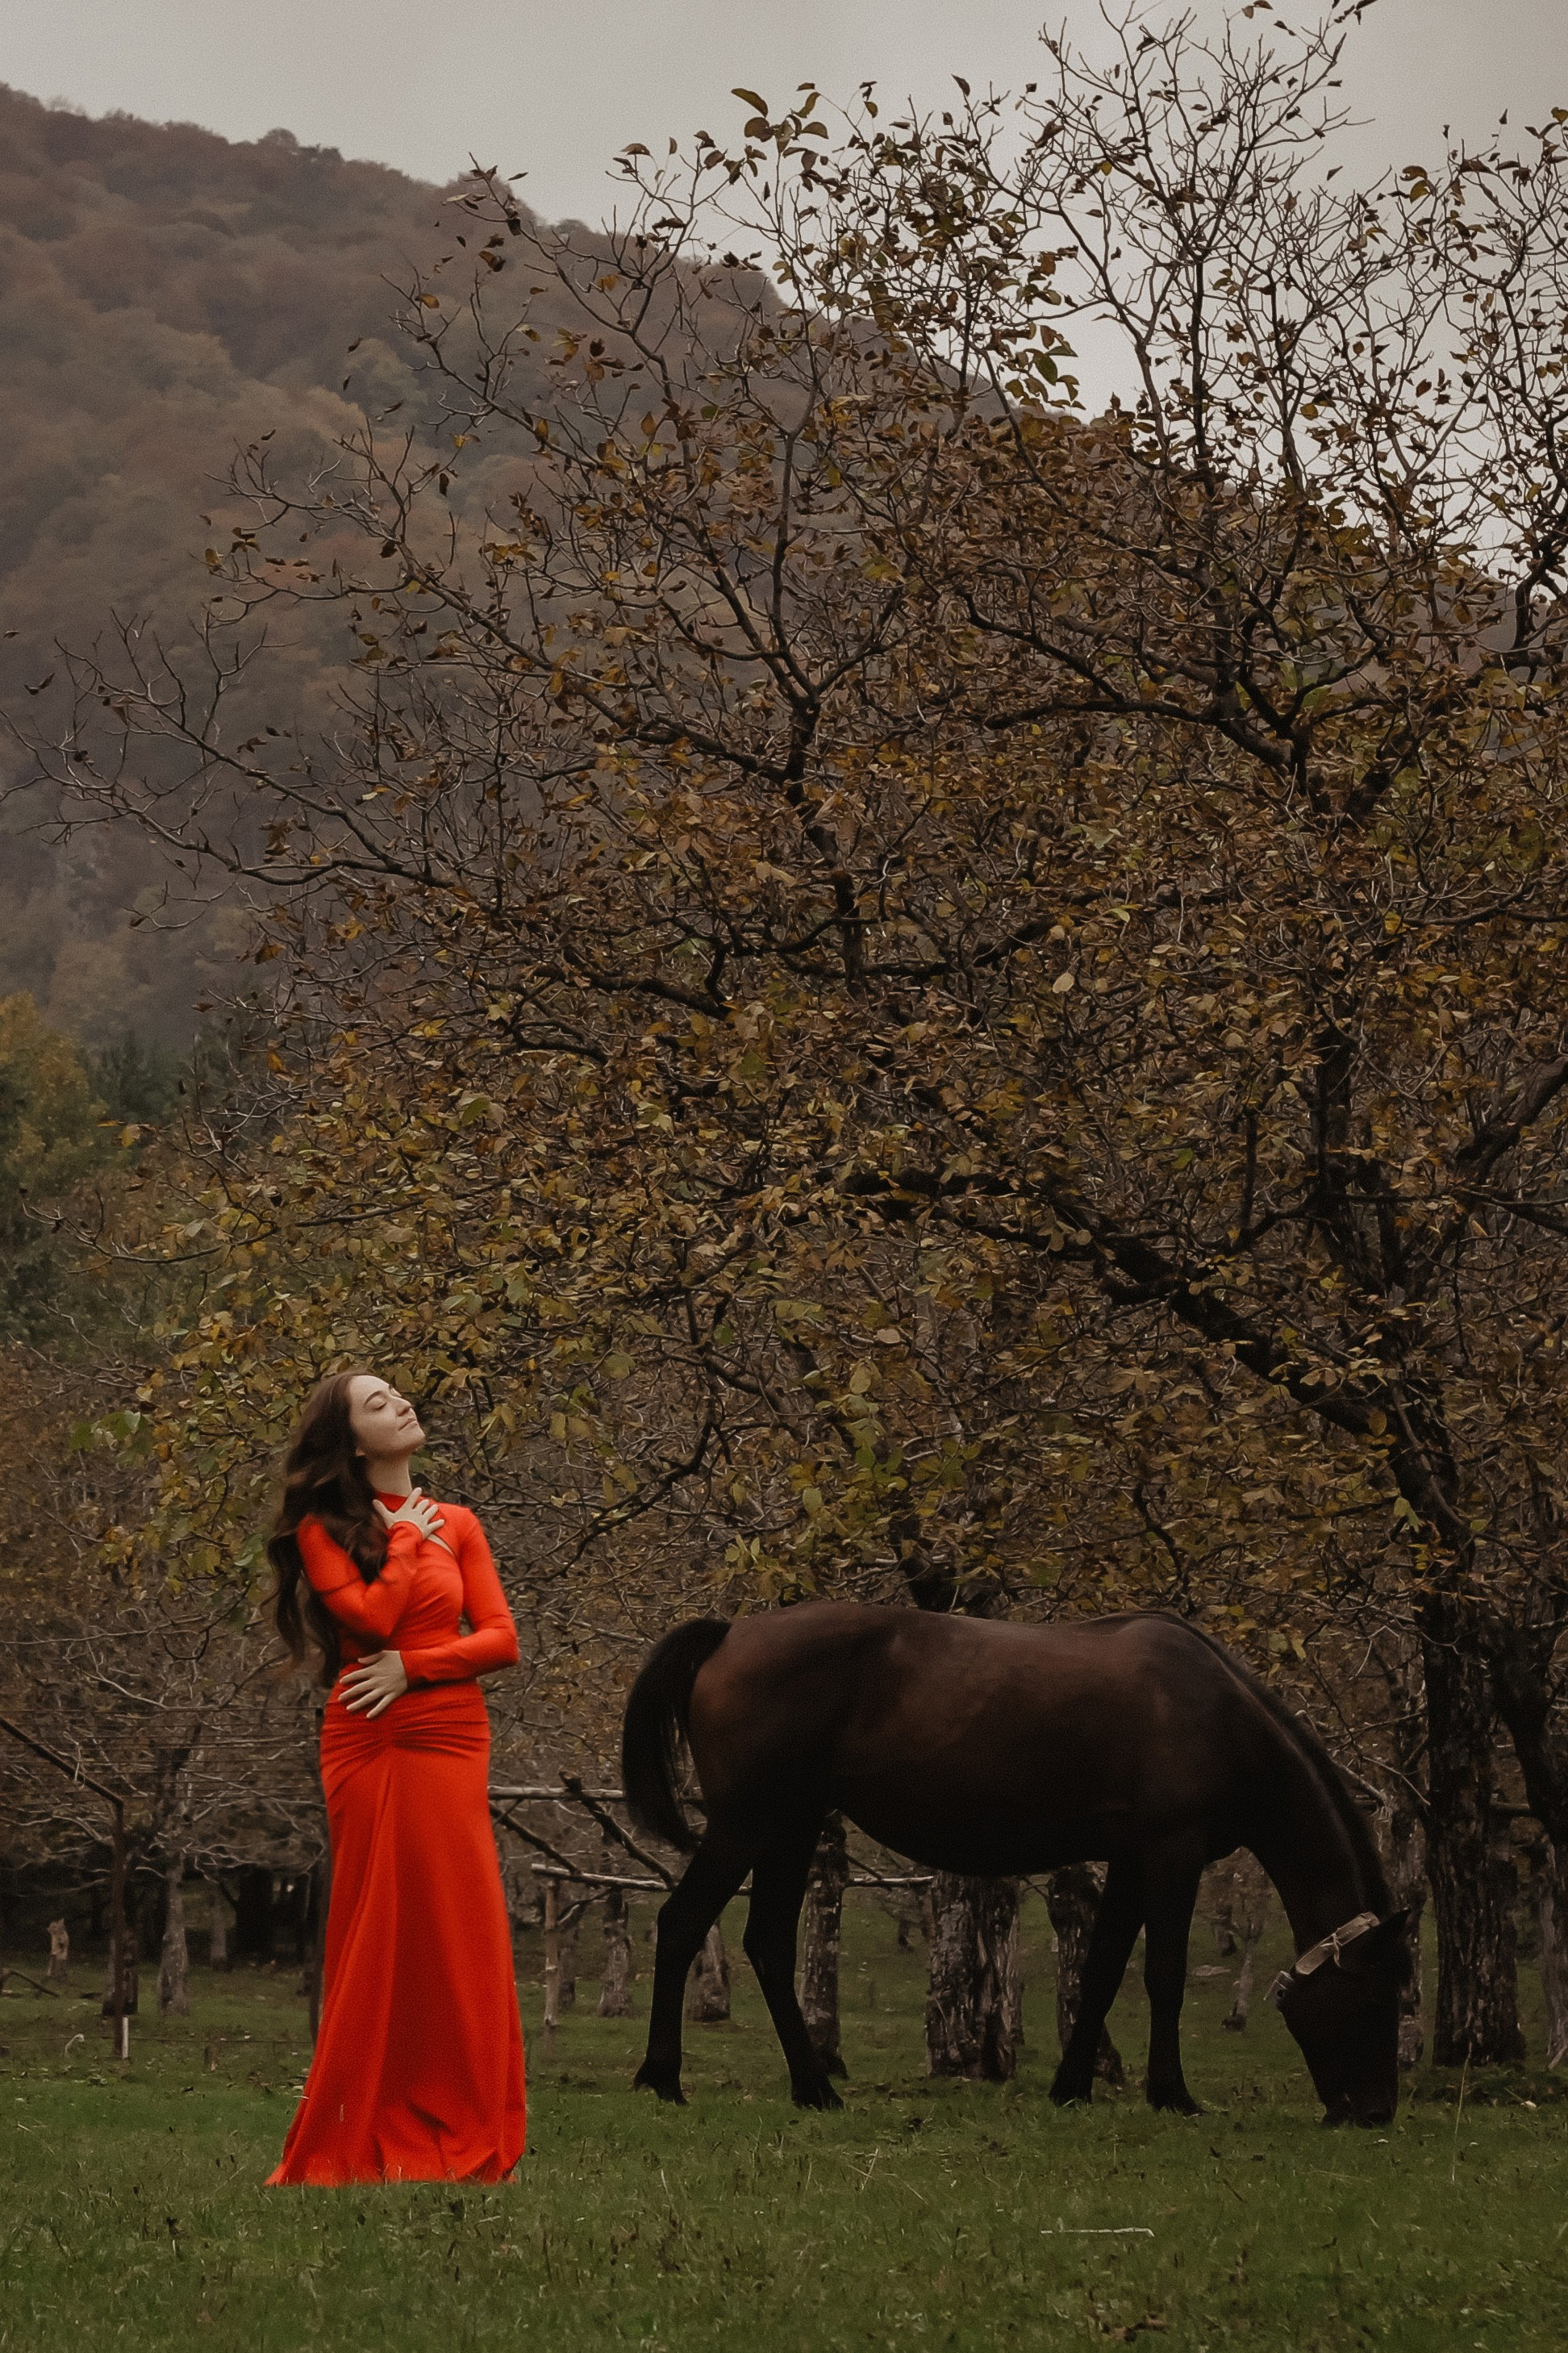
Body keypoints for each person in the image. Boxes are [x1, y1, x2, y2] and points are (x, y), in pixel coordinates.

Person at [264, 1369, 525, 2185]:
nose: (401, 1405)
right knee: (379, 1926)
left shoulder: (463, 1523)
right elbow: (370, 1617)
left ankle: (466, 2115)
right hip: (369, 1739)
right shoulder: (322, 1527)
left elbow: (500, 1639)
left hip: (448, 1734)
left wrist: (415, 1666)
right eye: (377, 1404)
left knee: (461, 1921)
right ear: (351, 1443)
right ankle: (365, 2119)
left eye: (397, 1395)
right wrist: (409, 1539)